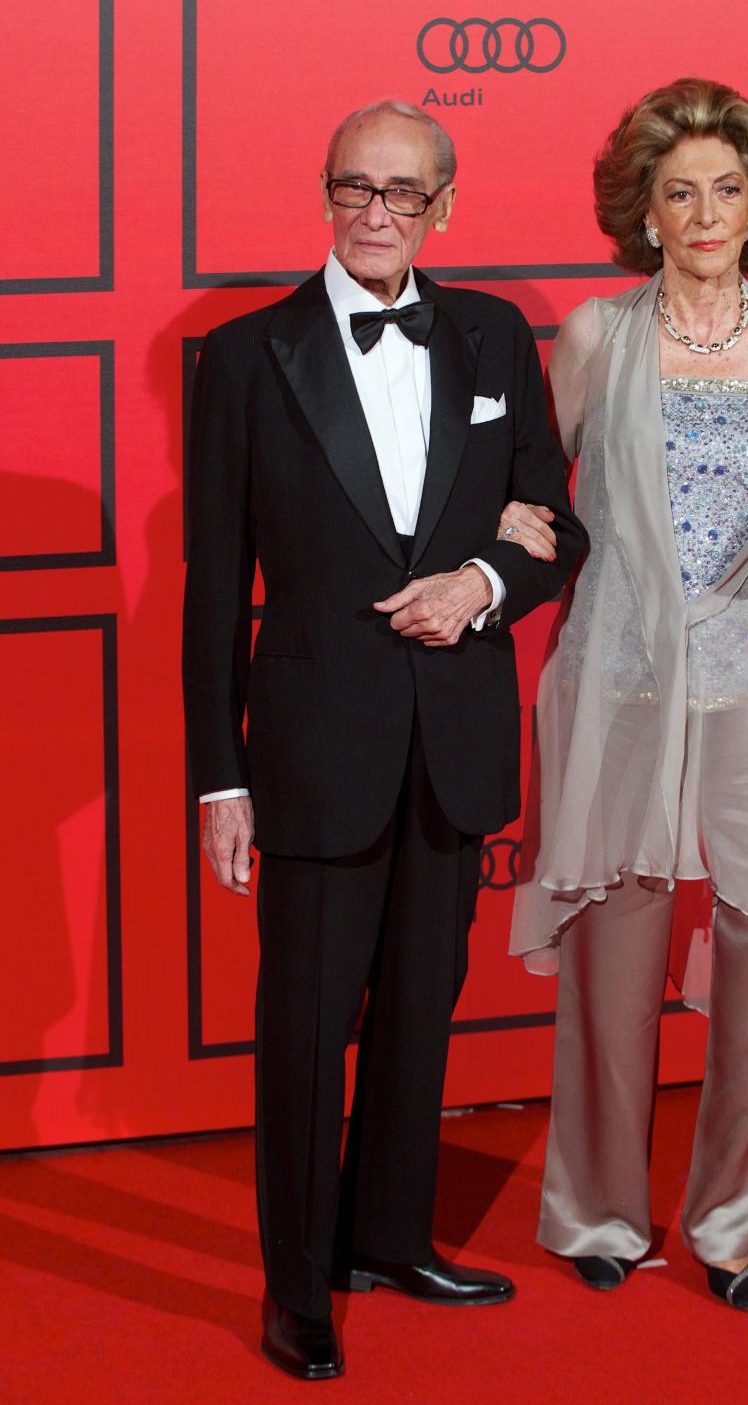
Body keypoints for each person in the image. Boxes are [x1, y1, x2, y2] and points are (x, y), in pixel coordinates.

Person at [182, 99, 586, 1380]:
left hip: (451, 738)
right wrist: (218, 774)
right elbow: (211, 586)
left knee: (422, 1007)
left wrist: (481, 584)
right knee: (304, 1030)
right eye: (355, 187)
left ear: (444, 208)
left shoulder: (491, 336)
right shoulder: (247, 356)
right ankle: (297, 1288)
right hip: (308, 750)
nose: (376, 212)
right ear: (324, 195)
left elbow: (553, 528)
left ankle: (391, 1236)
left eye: (403, 192)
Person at [506, 78, 748, 1310]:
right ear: (645, 214)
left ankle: (732, 1218)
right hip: (622, 678)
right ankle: (601, 1211)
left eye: (728, 190)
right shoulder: (597, 340)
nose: (708, 213)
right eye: (682, 193)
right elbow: (543, 504)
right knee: (617, 953)